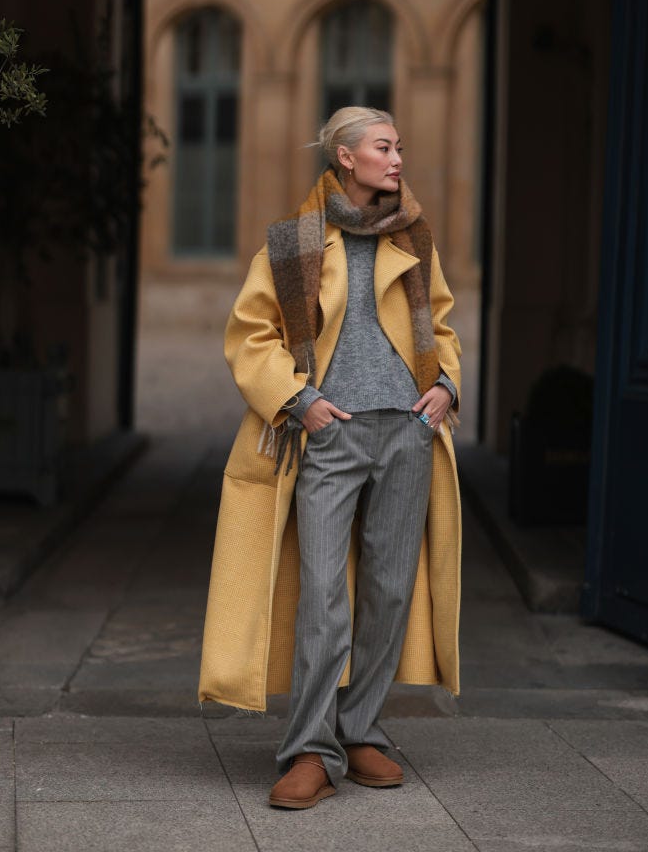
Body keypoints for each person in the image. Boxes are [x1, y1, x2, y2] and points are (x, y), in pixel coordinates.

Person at [198, 106, 462, 810]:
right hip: (328, 435)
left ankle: (361, 730)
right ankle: (310, 751)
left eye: (399, 145)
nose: (397, 157)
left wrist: (444, 386)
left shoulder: (414, 236)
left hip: (406, 431)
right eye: (383, 147)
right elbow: (250, 336)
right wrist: (297, 400)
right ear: (346, 157)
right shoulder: (292, 243)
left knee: (391, 589)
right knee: (321, 596)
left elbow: (439, 324)